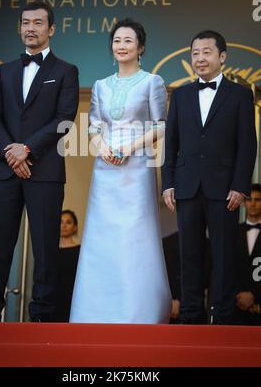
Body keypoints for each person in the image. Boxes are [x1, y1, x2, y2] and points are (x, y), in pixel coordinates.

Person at [0, 2, 79, 322]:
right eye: (25, 22)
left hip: (46, 171)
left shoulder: (66, 71)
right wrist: (12, 151)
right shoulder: (3, 70)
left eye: (38, 22)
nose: (31, 28)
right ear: (20, 28)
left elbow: (65, 118)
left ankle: (42, 318)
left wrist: (28, 149)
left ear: (51, 29)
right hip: (6, 171)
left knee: (47, 249)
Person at [70, 18, 171, 324]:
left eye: (128, 41)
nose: (122, 46)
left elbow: (161, 124)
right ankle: (93, 314)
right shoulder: (100, 85)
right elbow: (95, 125)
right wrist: (101, 147)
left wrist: (130, 148)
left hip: (137, 167)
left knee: (135, 236)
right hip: (106, 169)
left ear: (140, 47)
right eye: (117, 41)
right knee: (102, 237)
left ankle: (140, 314)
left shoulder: (152, 82)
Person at [162, 30, 257, 325]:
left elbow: (247, 145)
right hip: (187, 187)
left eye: (206, 52)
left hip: (225, 191)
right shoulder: (181, 95)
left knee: (224, 256)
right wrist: (168, 183)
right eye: (195, 53)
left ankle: (223, 318)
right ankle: (191, 318)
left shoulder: (241, 94)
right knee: (189, 256)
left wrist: (240, 186)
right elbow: (171, 143)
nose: (200, 58)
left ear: (222, 57)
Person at [233, 184, 261, 325]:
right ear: (244, 203)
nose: (253, 203)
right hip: (235, 306)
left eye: (258, 200)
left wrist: (254, 296)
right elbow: (229, 267)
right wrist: (239, 295)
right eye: (250, 199)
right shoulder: (233, 233)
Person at [54, 210, 80, 322]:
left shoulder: (81, 251)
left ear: (74, 227)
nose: (64, 225)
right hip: (53, 299)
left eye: (68, 222)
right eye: (61, 222)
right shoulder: (50, 251)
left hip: (74, 298)